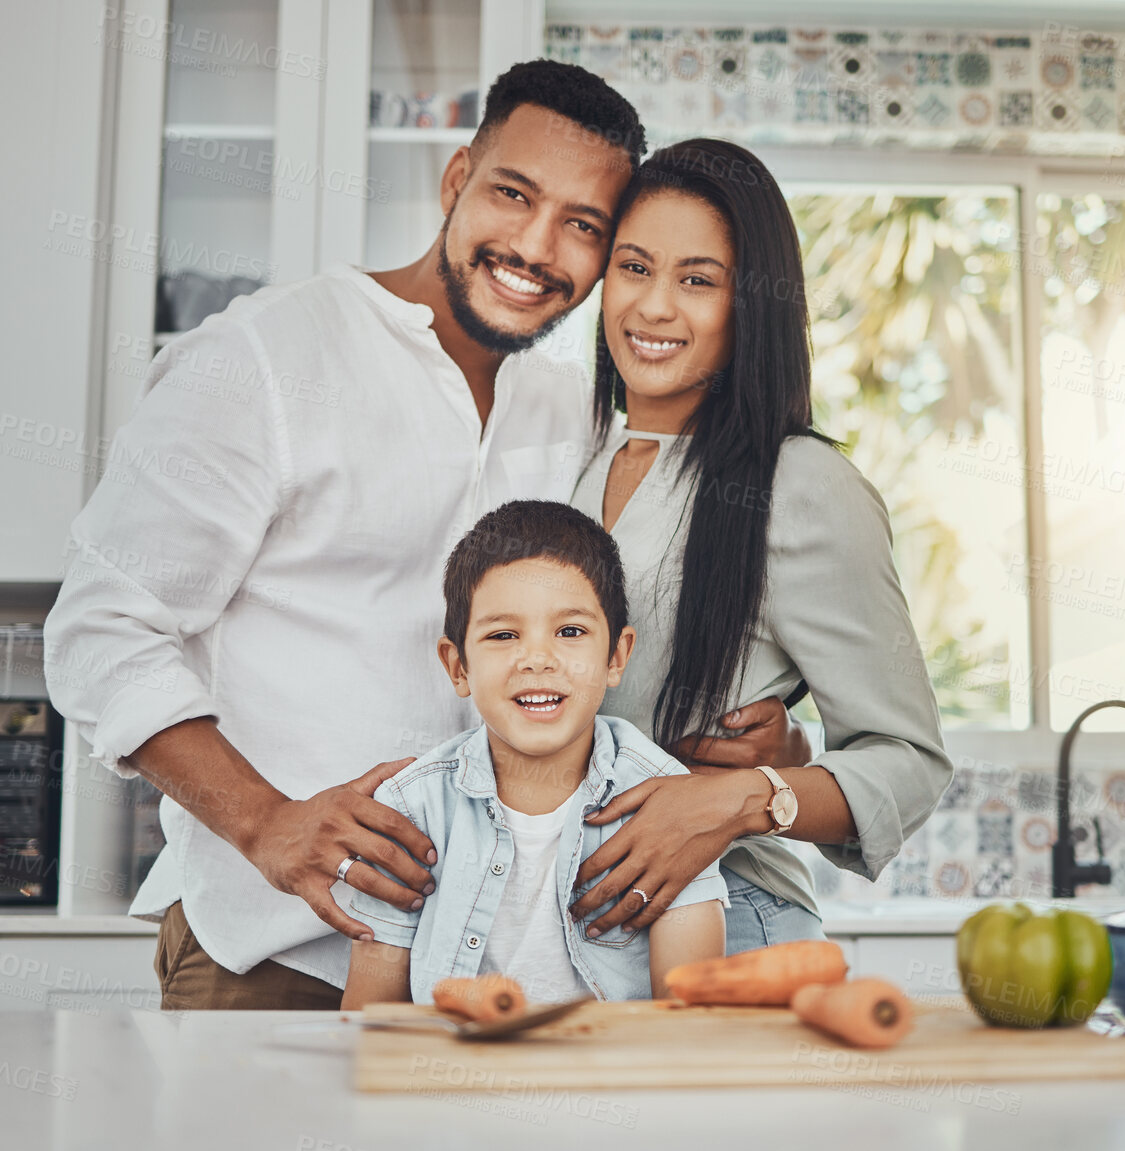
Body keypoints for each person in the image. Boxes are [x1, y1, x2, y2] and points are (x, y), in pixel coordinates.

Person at [42, 62, 805, 1010]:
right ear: (457, 182)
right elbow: (102, 632)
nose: (535, 247)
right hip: (283, 953)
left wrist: (775, 740)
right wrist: (268, 825)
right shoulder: (263, 360)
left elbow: (594, 642)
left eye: (583, 226)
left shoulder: (572, 410)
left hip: (502, 979)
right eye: (513, 195)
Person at [562, 138, 954, 953]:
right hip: (572, 923)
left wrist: (742, 797)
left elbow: (907, 761)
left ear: (753, 306)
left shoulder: (801, 484)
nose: (654, 307)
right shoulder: (572, 460)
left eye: (698, 280)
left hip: (731, 916)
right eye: (634, 268)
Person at [340, 501, 726, 1008]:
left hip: (616, 1080)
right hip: (449, 1081)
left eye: (570, 632)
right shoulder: (412, 808)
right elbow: (371, 1022)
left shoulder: (669, 801)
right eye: (503, 635)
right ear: (458, 667)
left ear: (616, 656)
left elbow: (690, 1023)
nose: (538, 659)